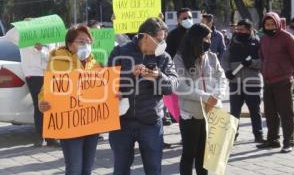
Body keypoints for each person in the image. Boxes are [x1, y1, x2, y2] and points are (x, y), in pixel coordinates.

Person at [108, 17, 178, 175]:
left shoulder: (164, 57)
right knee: (120, 169)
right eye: (160, 40)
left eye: (164, 40)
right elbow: (108, 83)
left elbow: (172, 86)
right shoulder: (120, 51)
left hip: (151, 123)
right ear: (146, 37)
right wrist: (130, 75)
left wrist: (158, 76)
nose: (163, 44)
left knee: (153, 169)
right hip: (122, 123)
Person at [39, 25, 102, 174]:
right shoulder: (58, 61)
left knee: (87, 169)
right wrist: (42, 102)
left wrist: (113, 96)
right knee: (74, 168)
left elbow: (102, 89)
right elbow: (46, 89)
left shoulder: (95, 63)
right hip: (70, 126)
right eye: (81, 41)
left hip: (91, 124)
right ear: (70, 44)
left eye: (88, 41)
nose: (85, 45)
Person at [173, 23, 226, 175]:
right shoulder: (179, 59)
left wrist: (217, 94)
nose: (209, 41)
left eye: (210, 38)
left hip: (211, 113)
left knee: (205, 156)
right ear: (196, 39)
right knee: (189, 154)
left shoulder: (212, 57)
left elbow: (221, 77)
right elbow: (180, 87)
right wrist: (205, 97)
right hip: (190, 114)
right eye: (206, 38)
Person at [257, 12, 294, 153]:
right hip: (268, 81)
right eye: (267, 24)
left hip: (283, 81)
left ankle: (289, 142)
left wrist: (289, 74)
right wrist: (264, 71)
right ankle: (273, 140)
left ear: (277, 23)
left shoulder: (287, 37)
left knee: (285, 113)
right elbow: (262, 57)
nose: (270, 27)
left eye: (272, 24)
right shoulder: (263, 39)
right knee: (270, 113)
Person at [221, 19, 264, 143]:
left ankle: (258, 134)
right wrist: (227, 71)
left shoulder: (257, 43)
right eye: (237, 30)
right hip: (235, 83)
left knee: (255, 110)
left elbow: (263, 62)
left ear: (249, 30)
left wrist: (252, 63)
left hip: (252, 82)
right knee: (234, 111)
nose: (239, 32)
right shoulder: (232, 42)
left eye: (242, 30)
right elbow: (225, 59)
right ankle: (233, 135)